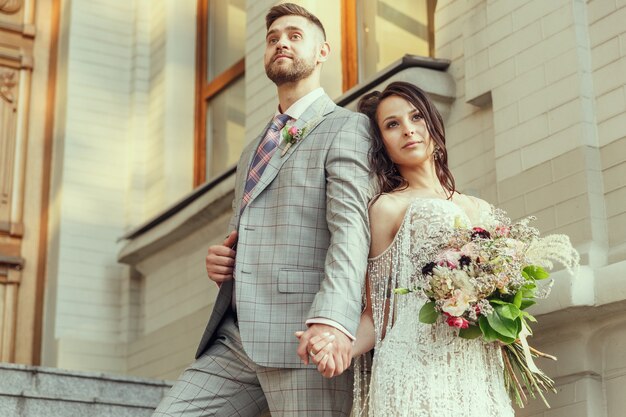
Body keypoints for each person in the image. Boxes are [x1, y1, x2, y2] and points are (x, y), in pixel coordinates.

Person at [152, 3, 372, 417]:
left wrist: (333, 321)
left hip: (305, 336)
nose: (281, 43)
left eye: (294, 35)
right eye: (273, 39)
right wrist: (225, 260)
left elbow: (351, 232)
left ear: (323, 52)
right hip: (235, 337)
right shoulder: (253, 146)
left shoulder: (347, 127)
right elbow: (253, 229)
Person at [304, 81, 515, 416]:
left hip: (475, 371)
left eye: (416, 117)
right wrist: (338, 345)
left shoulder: (478, 206)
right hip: (413, 371)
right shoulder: (387, 208)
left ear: (432, 122)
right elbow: (378, 313)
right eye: (392, 124)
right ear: (382, 145)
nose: (408, 130)